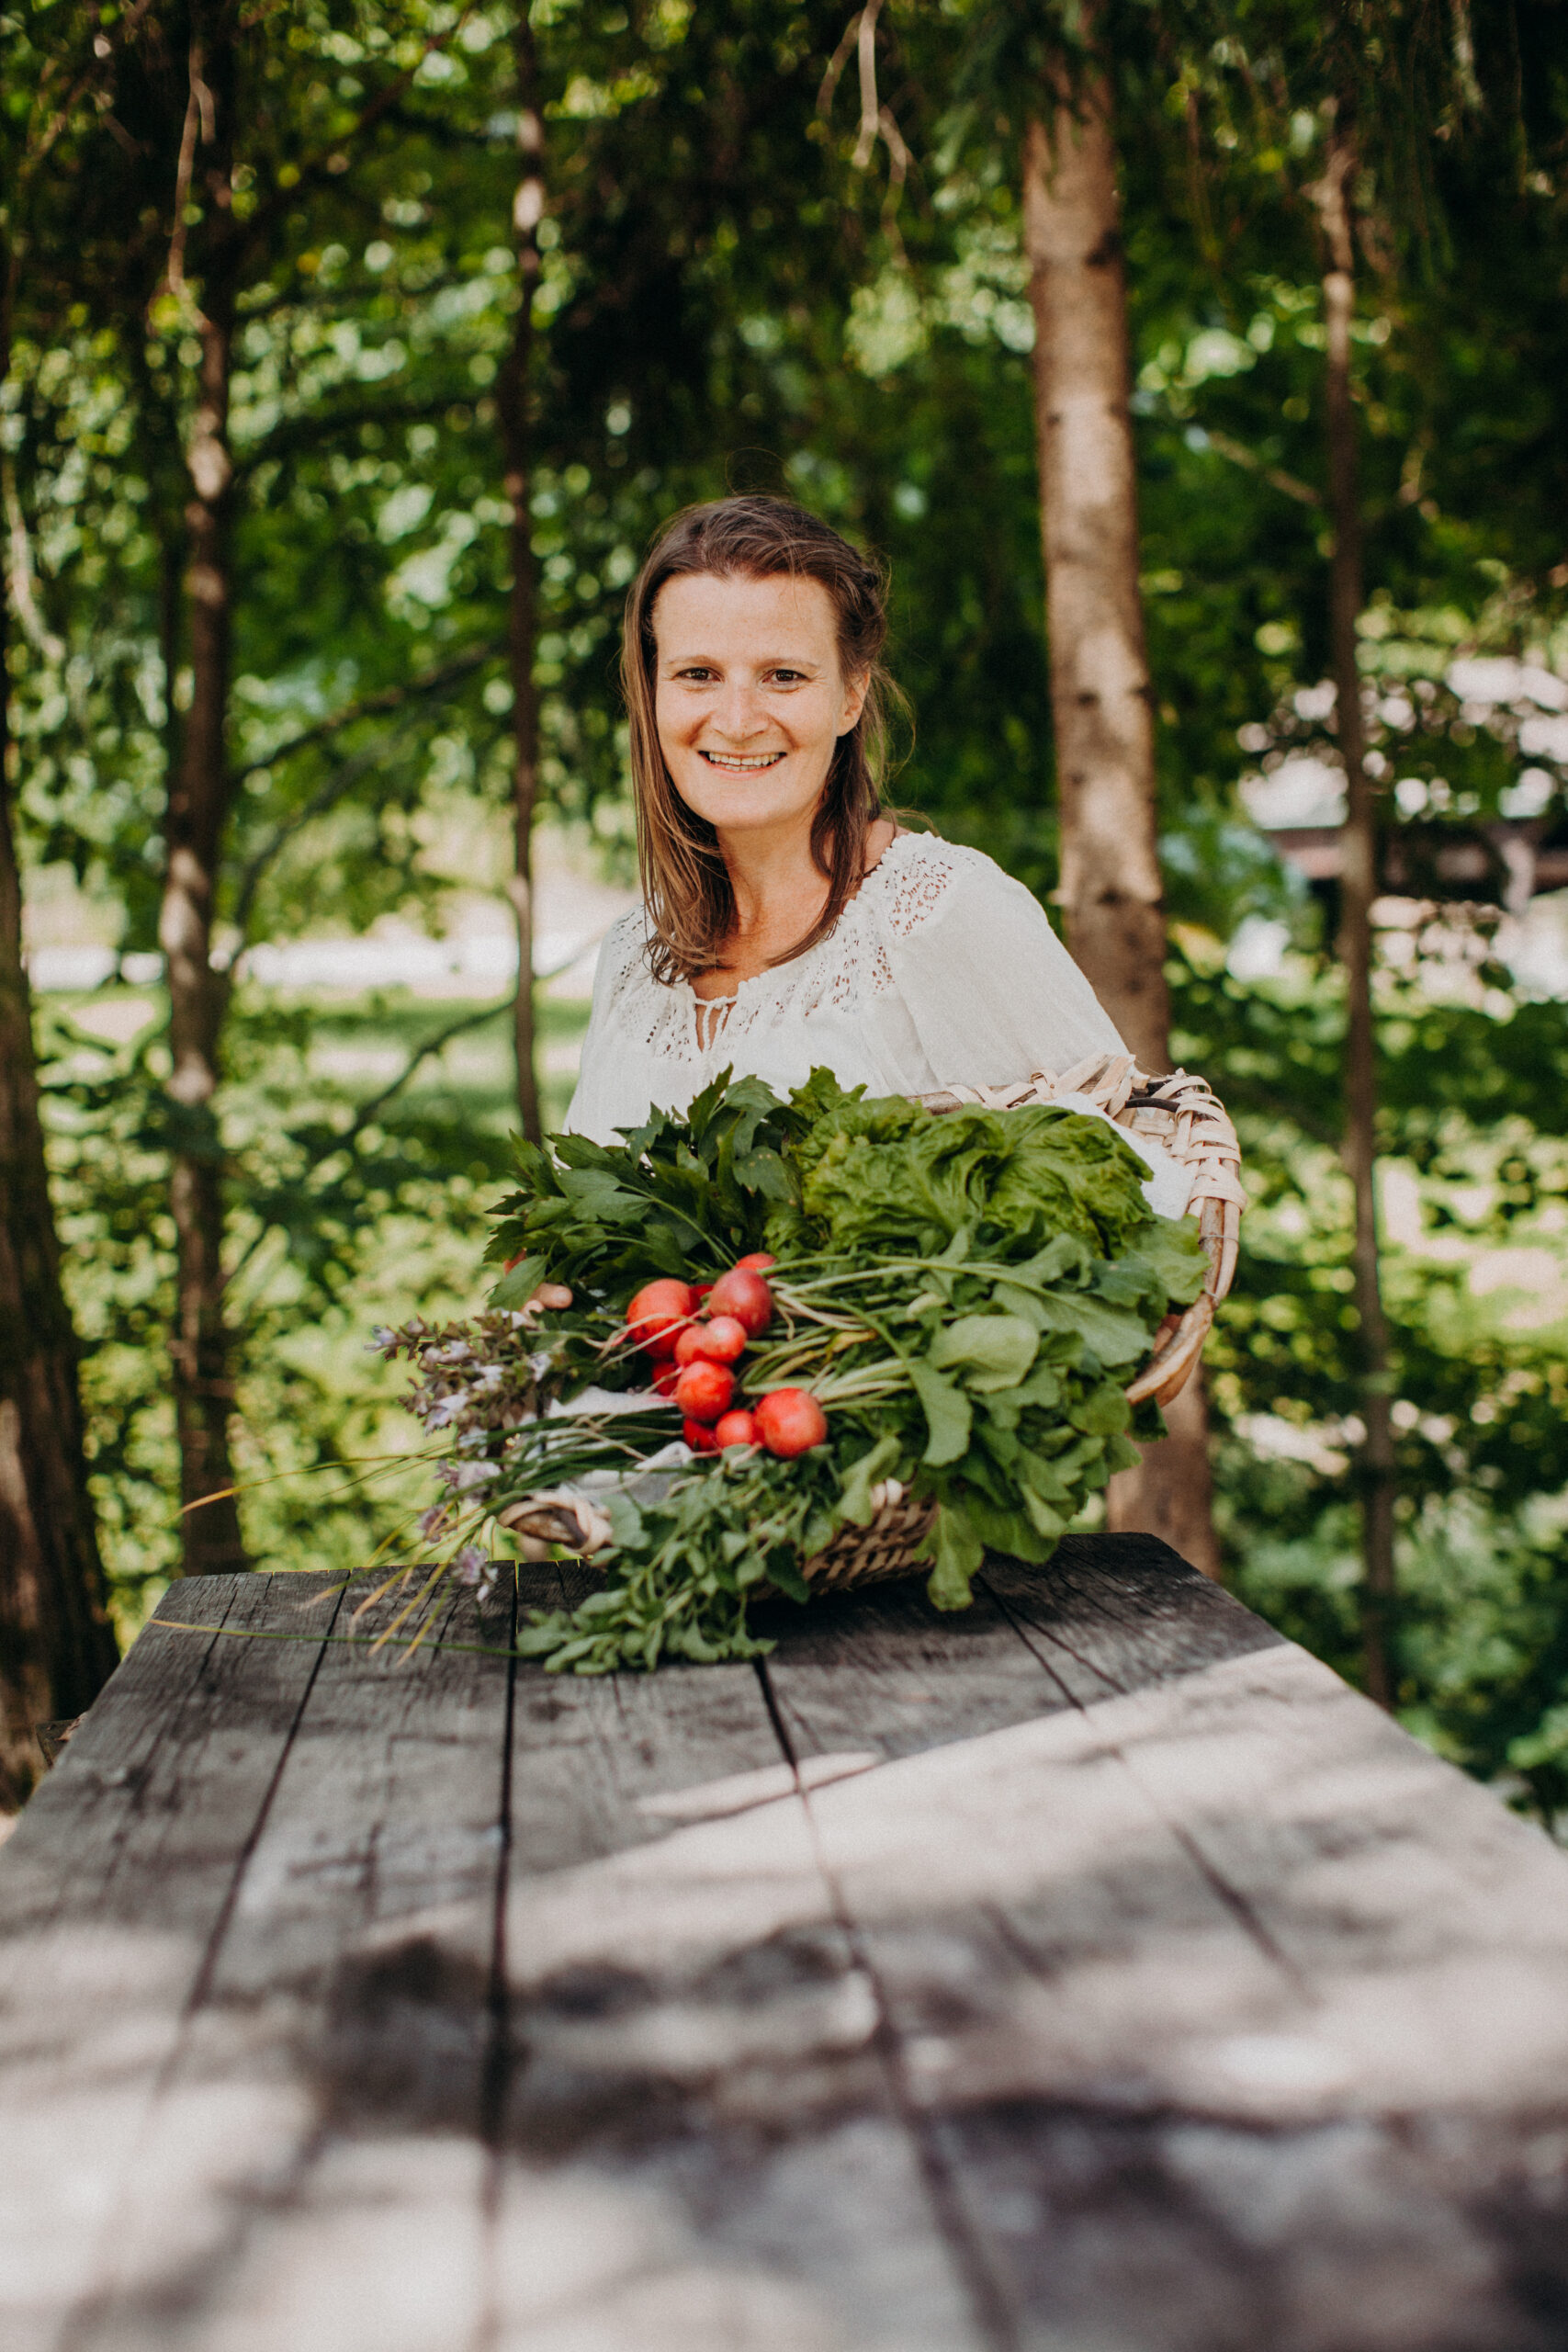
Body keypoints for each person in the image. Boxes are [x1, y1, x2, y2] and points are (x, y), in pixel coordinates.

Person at [566, 493, 1130, 1145]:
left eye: (782, 676)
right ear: (653, 691)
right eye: (698, 674)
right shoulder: (635, 952)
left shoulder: (939, 913)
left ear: (850, 696)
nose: (738, 720)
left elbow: (1123, 1166)